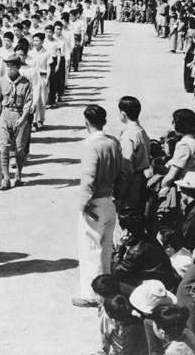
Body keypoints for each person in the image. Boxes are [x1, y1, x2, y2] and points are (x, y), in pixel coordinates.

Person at [74, 104, 123, 308]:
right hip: (109, 200)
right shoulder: (113, 142)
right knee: (106, 249)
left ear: (87, 122)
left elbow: (88, 178)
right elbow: (121, 171)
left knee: (90, 249)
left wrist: (83, 204)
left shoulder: (90, 144)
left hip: (94, 203)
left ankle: (91, 294)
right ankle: (106, 291)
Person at [0, 54, 32, 190]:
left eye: (13, 66)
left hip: (20, 115)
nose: (10, 69)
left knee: (20, 149)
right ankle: (5, 178)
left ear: (18, 67)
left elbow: (28, 102)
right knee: (3, 148)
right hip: (5, 114)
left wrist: (23, 118)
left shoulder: (25, 83)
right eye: (8, 66)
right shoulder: (1, 81)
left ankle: (18, 175)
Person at [118, 96, 151, 210]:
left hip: (133, 183)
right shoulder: (141, 130)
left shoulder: (129, 135)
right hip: (143, 177)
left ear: (123, 114)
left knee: (130, 216)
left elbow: (126, 166)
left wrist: (120, 193)